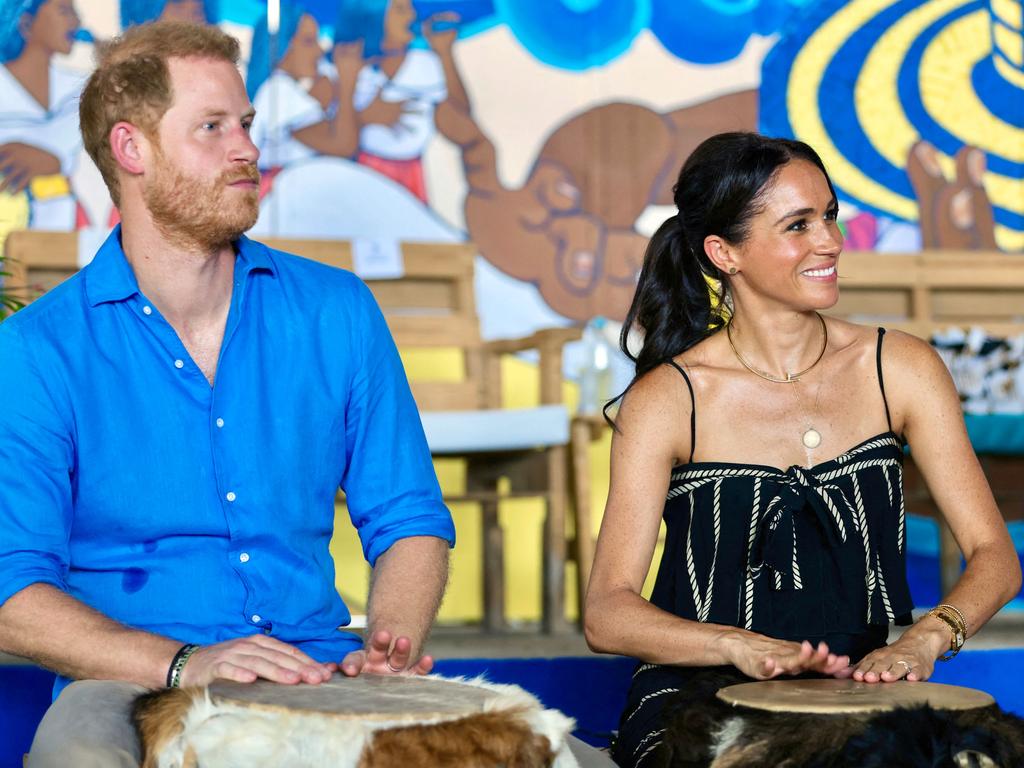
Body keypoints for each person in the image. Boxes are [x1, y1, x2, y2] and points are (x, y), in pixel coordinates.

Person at [0, 20, 454, 767]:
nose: (247, 148)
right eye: (211, 127)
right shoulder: (38, 352)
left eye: (243, 123)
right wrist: (184, 663)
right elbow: (14, 593)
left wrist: (389, 648)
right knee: (76, 758)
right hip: (127, 683)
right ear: (130, 149)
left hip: (316, 665)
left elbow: (407, 515)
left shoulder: (335, 310)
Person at [582, 132, 1021, 767]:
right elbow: (607, 613)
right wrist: (738, 646)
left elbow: (994, 555)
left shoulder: (899, 366)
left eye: (831, 216)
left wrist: (924, 640)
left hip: (857, 687)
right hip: (700, 698)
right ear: (724, 252)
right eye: (798, 225)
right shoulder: (669, 399)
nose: (831, 242)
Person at [0, 0, 84, 230]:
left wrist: (56, 162)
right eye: (64, 11)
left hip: (67, 244)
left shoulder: (83, 90)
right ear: (26, 24)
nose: (77, 22)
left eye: (75, 12)